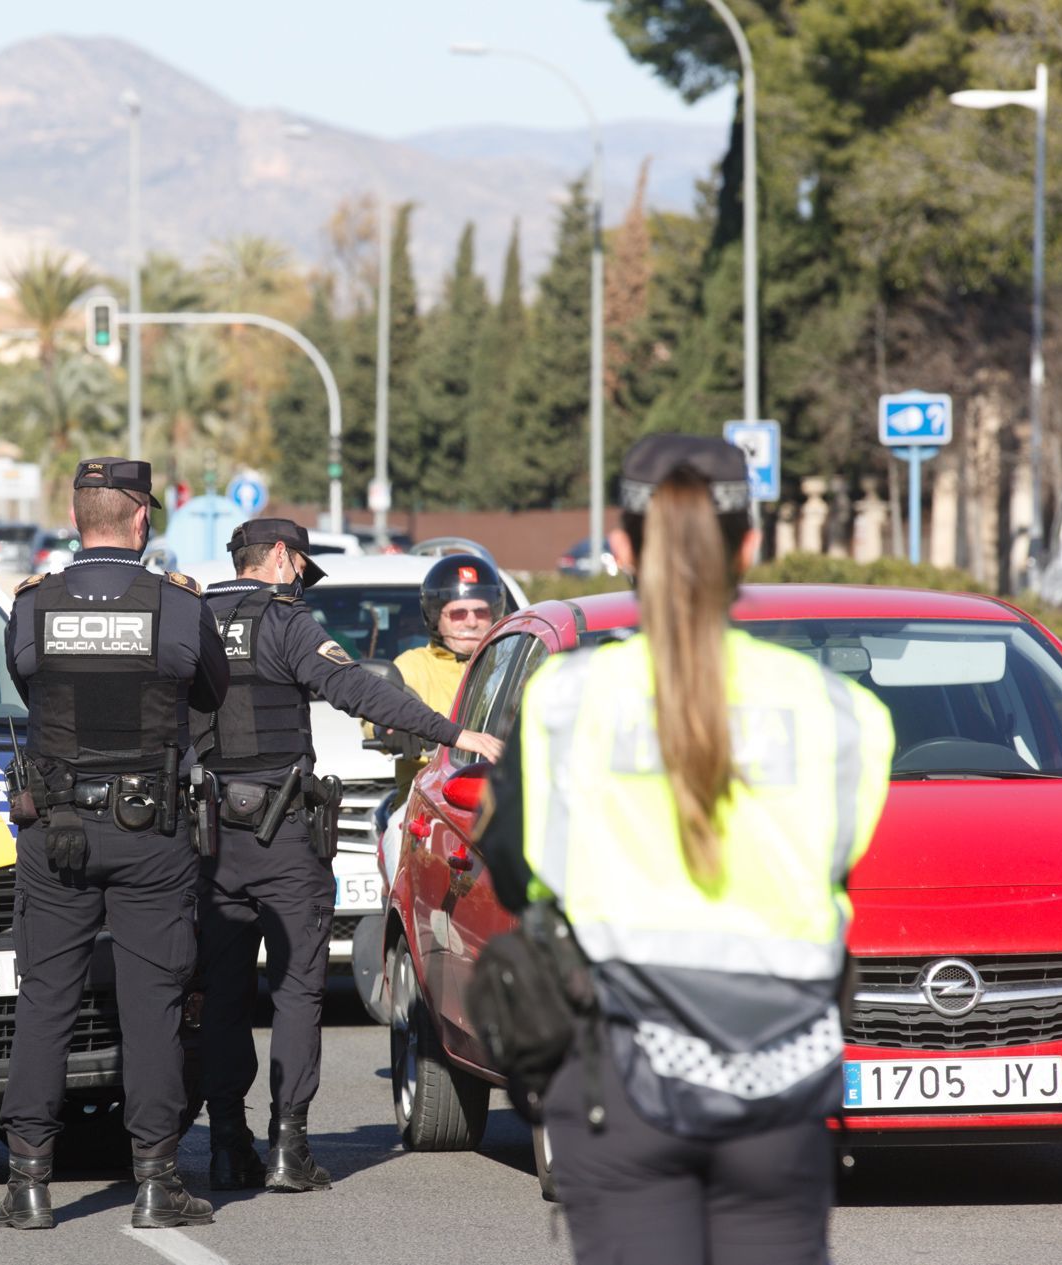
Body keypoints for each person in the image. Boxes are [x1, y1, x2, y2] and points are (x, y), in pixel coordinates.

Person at [478, 435, 894, 1265]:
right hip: (784, 1079)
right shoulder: (841, 711)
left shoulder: (566, 700)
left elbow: (512, 865)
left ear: (623, 547)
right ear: (751, 545)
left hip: (618, 1080)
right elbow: (833, 865)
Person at [193, 519, 501, 1193]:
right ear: (279, 557)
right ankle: (288, 1147)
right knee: (299, 989)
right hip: (283, 834)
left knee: (221, 993)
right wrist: (456, 732)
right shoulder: (286, 621)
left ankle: (224, 1144)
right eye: (300, 566)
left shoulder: (192, 619)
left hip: (210, 836)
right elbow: (359, 690)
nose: (301, 579)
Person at [0, 457, 230, 1232]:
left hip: (56, 826)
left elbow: (31, 686)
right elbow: (212, 694)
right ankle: (157, 1182)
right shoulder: (177, 608)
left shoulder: (32, 606)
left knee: (45, 999)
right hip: (150, 831)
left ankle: (28, 1183)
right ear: (141, 519)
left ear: (75, 514)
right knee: (152, 1004)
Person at [374, 552, 510, 887]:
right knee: (397, 834)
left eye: (481, 612)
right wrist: (389, 729)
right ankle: (403, 924)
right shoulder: (413, 665)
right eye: (459, 613)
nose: (471, 621)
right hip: (427, 802)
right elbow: (381, 707)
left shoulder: (509, 659)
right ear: (436, 618)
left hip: (508, 794)